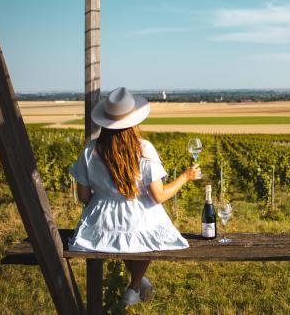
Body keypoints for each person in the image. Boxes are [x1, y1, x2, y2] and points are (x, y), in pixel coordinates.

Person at [68, 87, 201, 306]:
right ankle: (134, 287)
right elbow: (159, 196)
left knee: (123, 237)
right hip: (139, 219)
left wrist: (103, 209)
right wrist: (186, 177)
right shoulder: (144, 149)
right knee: (142, 234)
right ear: (133, 121)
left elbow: (83, 195)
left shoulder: (89, 150)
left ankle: (137, 284)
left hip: (99, 224)